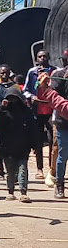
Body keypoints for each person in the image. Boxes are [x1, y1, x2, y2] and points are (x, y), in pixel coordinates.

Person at [0, 86, 37, 202]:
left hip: (23, 146)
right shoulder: (3, 111)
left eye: (15, 98)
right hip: (7, 147)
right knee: (10, 171)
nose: (13, 101)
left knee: (23, 170)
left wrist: (35, 144)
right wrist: (2, 108)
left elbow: (32, 128)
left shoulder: (26, 111)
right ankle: (10, 191)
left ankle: (23, 192)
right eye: (10, 98)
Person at [23, 49, 56, 180]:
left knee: (52, 139)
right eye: (40, 57)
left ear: (49, 58)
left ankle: (51, 168)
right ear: (37, 59)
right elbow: (25, 90)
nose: (42, 58)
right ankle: (39, 168)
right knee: (37, 141)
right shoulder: (32, 72)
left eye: (45, 56)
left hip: (50, 110)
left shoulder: (54, 72)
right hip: (36, 110)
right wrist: (31, 97)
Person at [48, 53, 68, 198]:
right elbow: (53, 96)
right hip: (63, 121)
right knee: (63, 153)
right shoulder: (59, 75)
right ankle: (59, 184)